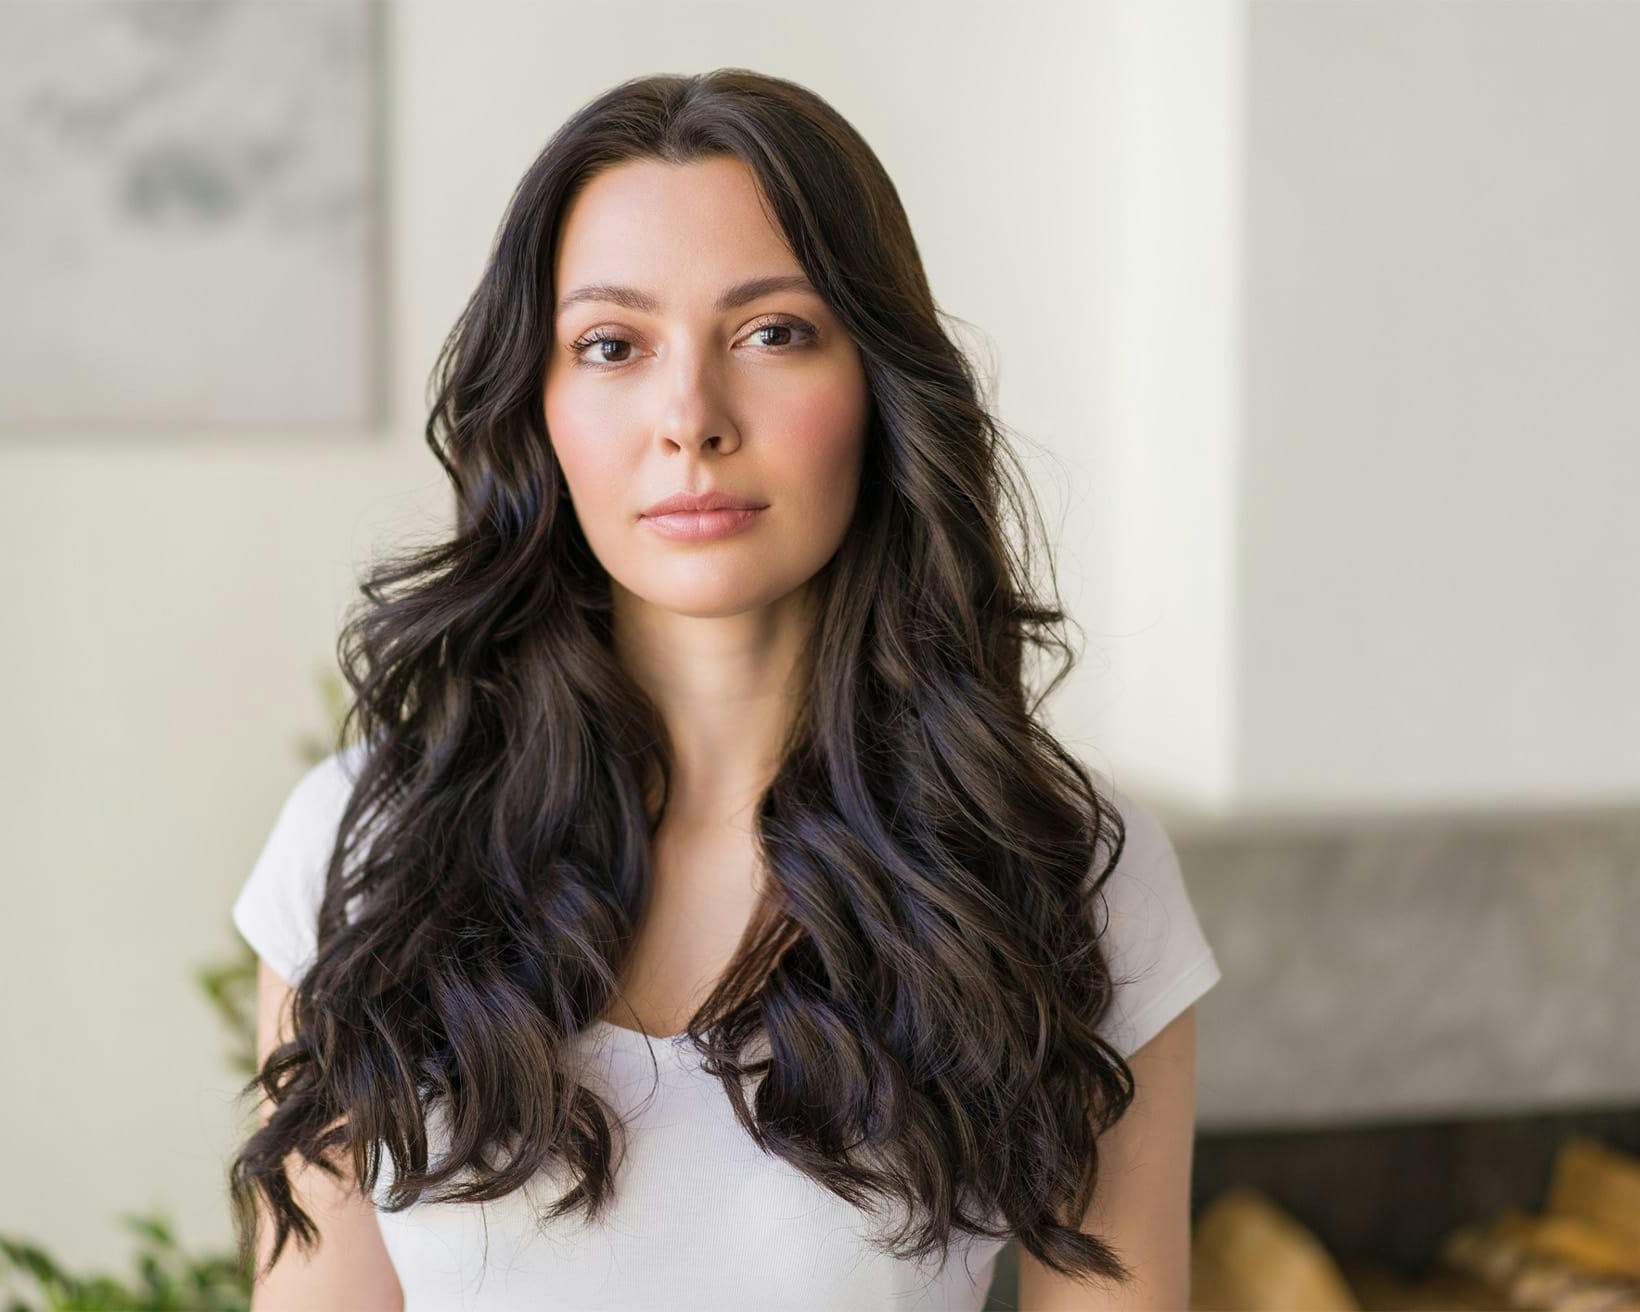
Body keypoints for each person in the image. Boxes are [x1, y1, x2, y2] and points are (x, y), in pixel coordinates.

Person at [227, 68, 1221, 1312]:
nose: (689, 417)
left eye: (774, 331)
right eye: (612, 346)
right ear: (538, 407)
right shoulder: (359, 848)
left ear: (878, 385)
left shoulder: (1060, 867)